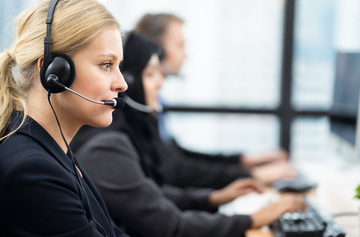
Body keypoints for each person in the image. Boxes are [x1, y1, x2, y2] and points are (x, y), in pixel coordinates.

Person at [71, 31, 306, 237]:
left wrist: (214, 197)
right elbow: (172, 227)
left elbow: (152, 193)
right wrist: (256, 218)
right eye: (151, 74)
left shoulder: (126, 133)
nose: (161, 83)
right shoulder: (107, 147)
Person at [0, 0, 129, 236]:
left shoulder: (54, 150)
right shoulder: (33, 171)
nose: (122, 84)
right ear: (54, 72)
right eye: (106, 65)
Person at [133, 13, 298, 189]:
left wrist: (243, 161)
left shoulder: (157, 100)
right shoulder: (140, 106)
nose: (185, 55)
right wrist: (250, 176)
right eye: (181, 46)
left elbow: (176, 155)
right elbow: (174, 169)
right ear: (158, 50)